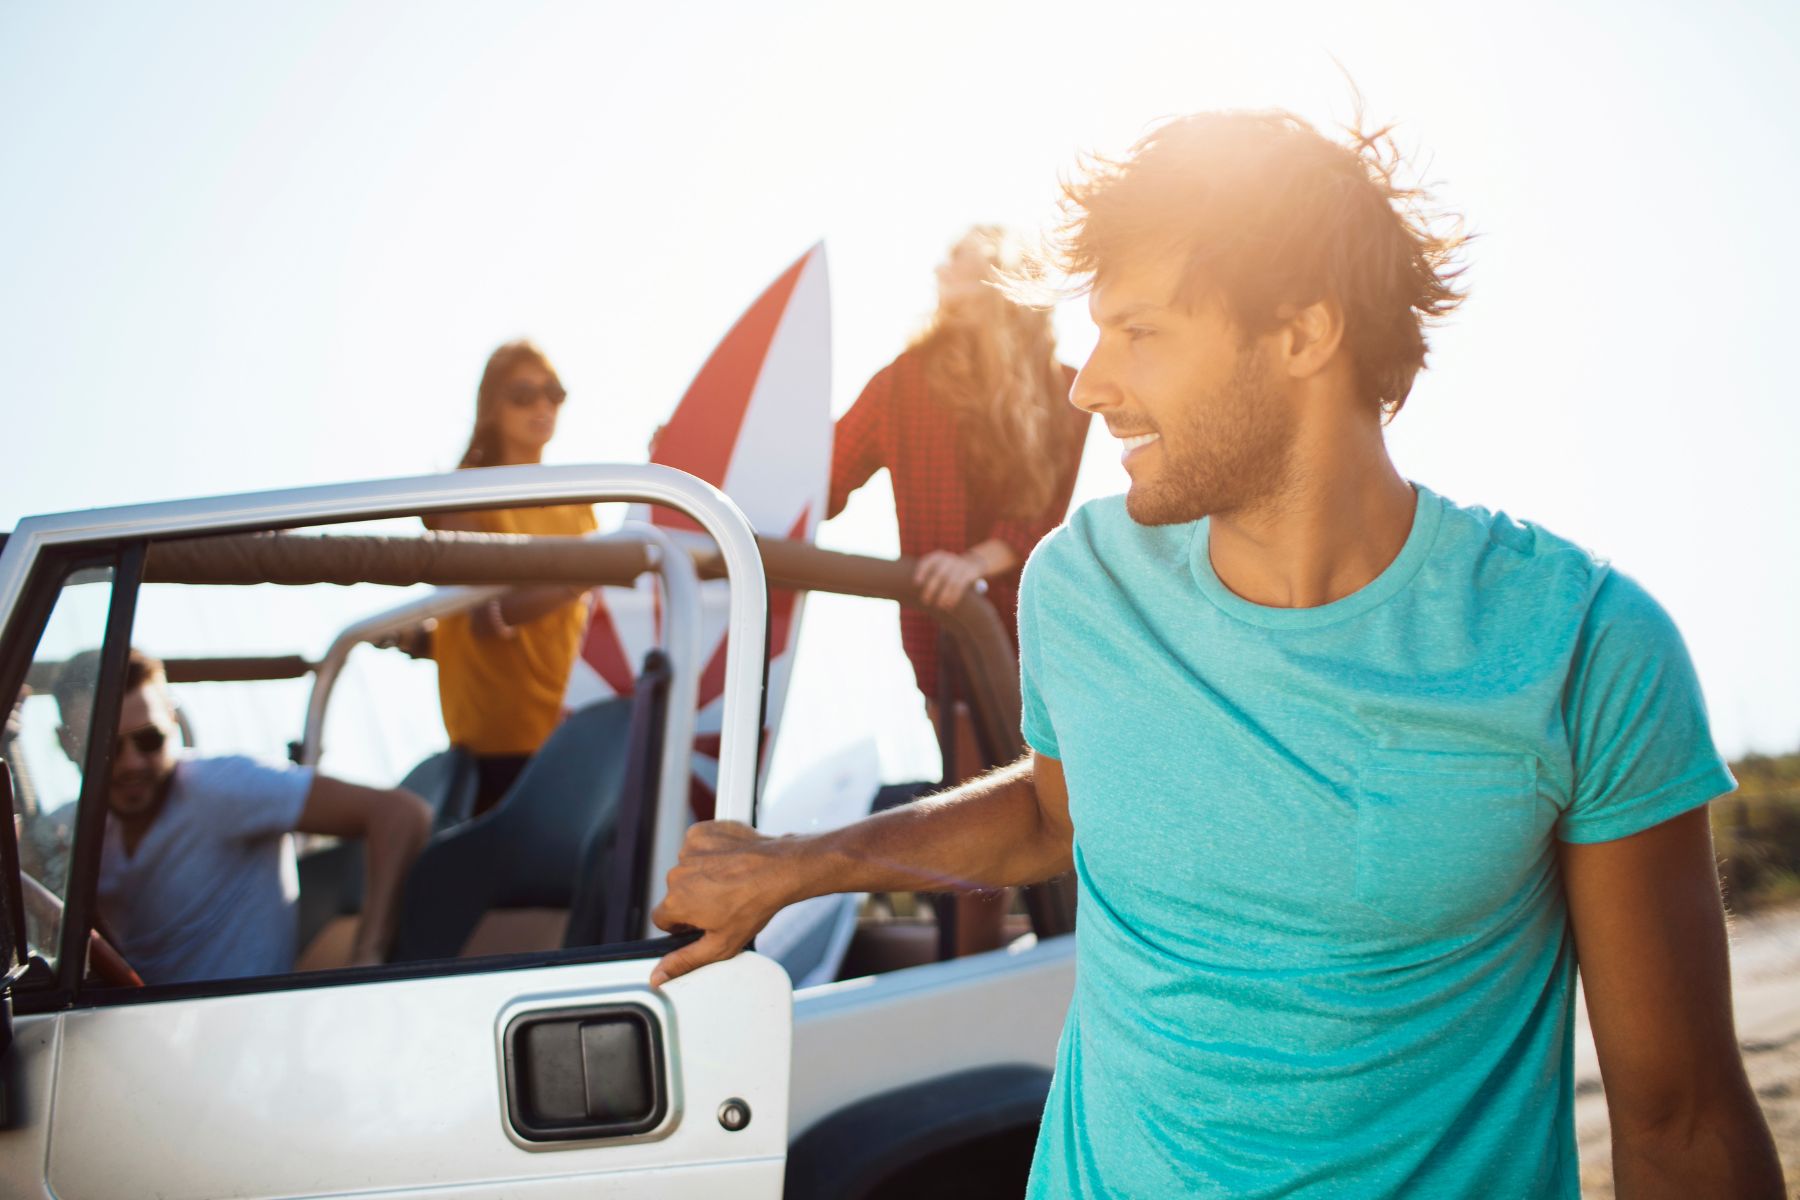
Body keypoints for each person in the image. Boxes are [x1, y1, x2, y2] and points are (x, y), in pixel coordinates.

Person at [645, 111, 1784, 1197]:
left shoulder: (1580, 645)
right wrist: (806, 862)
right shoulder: (1080, 588)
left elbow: (1678, 1120)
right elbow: (1055, 811)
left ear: (1304, 329)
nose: (1090, 385)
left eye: (1139, 333)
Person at [827, 225, 1089, 954]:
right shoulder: (904, 381)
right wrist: (731, 460)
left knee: (1048, 807)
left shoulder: (1064, 389)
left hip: (1032, 633)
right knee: (976, 799)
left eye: (963, 258)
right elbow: (826, 476)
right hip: (945, 640)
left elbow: (1042, 515)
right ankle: (971, 971)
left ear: (1004, 280)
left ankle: (1038, 958)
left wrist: (976, 558)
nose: (943, 265)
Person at [53, 649, 431, 985]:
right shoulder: (69, 832)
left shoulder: (221, 787)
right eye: (107, 747)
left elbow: (400, 813)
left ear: (172, 719)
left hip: (242, 1038)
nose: (132, 762)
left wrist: (367, 959)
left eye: (150, 739)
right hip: (141, 1035)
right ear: (68, 743)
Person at [421, 339, 599, 815]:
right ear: (491, 407)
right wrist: (581, 577)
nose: (542, 406)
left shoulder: (581, 500)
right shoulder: (463, 496)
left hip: (570, 722)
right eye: (524, 395)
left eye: (554, 393)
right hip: (497, 737)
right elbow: (485, 619)